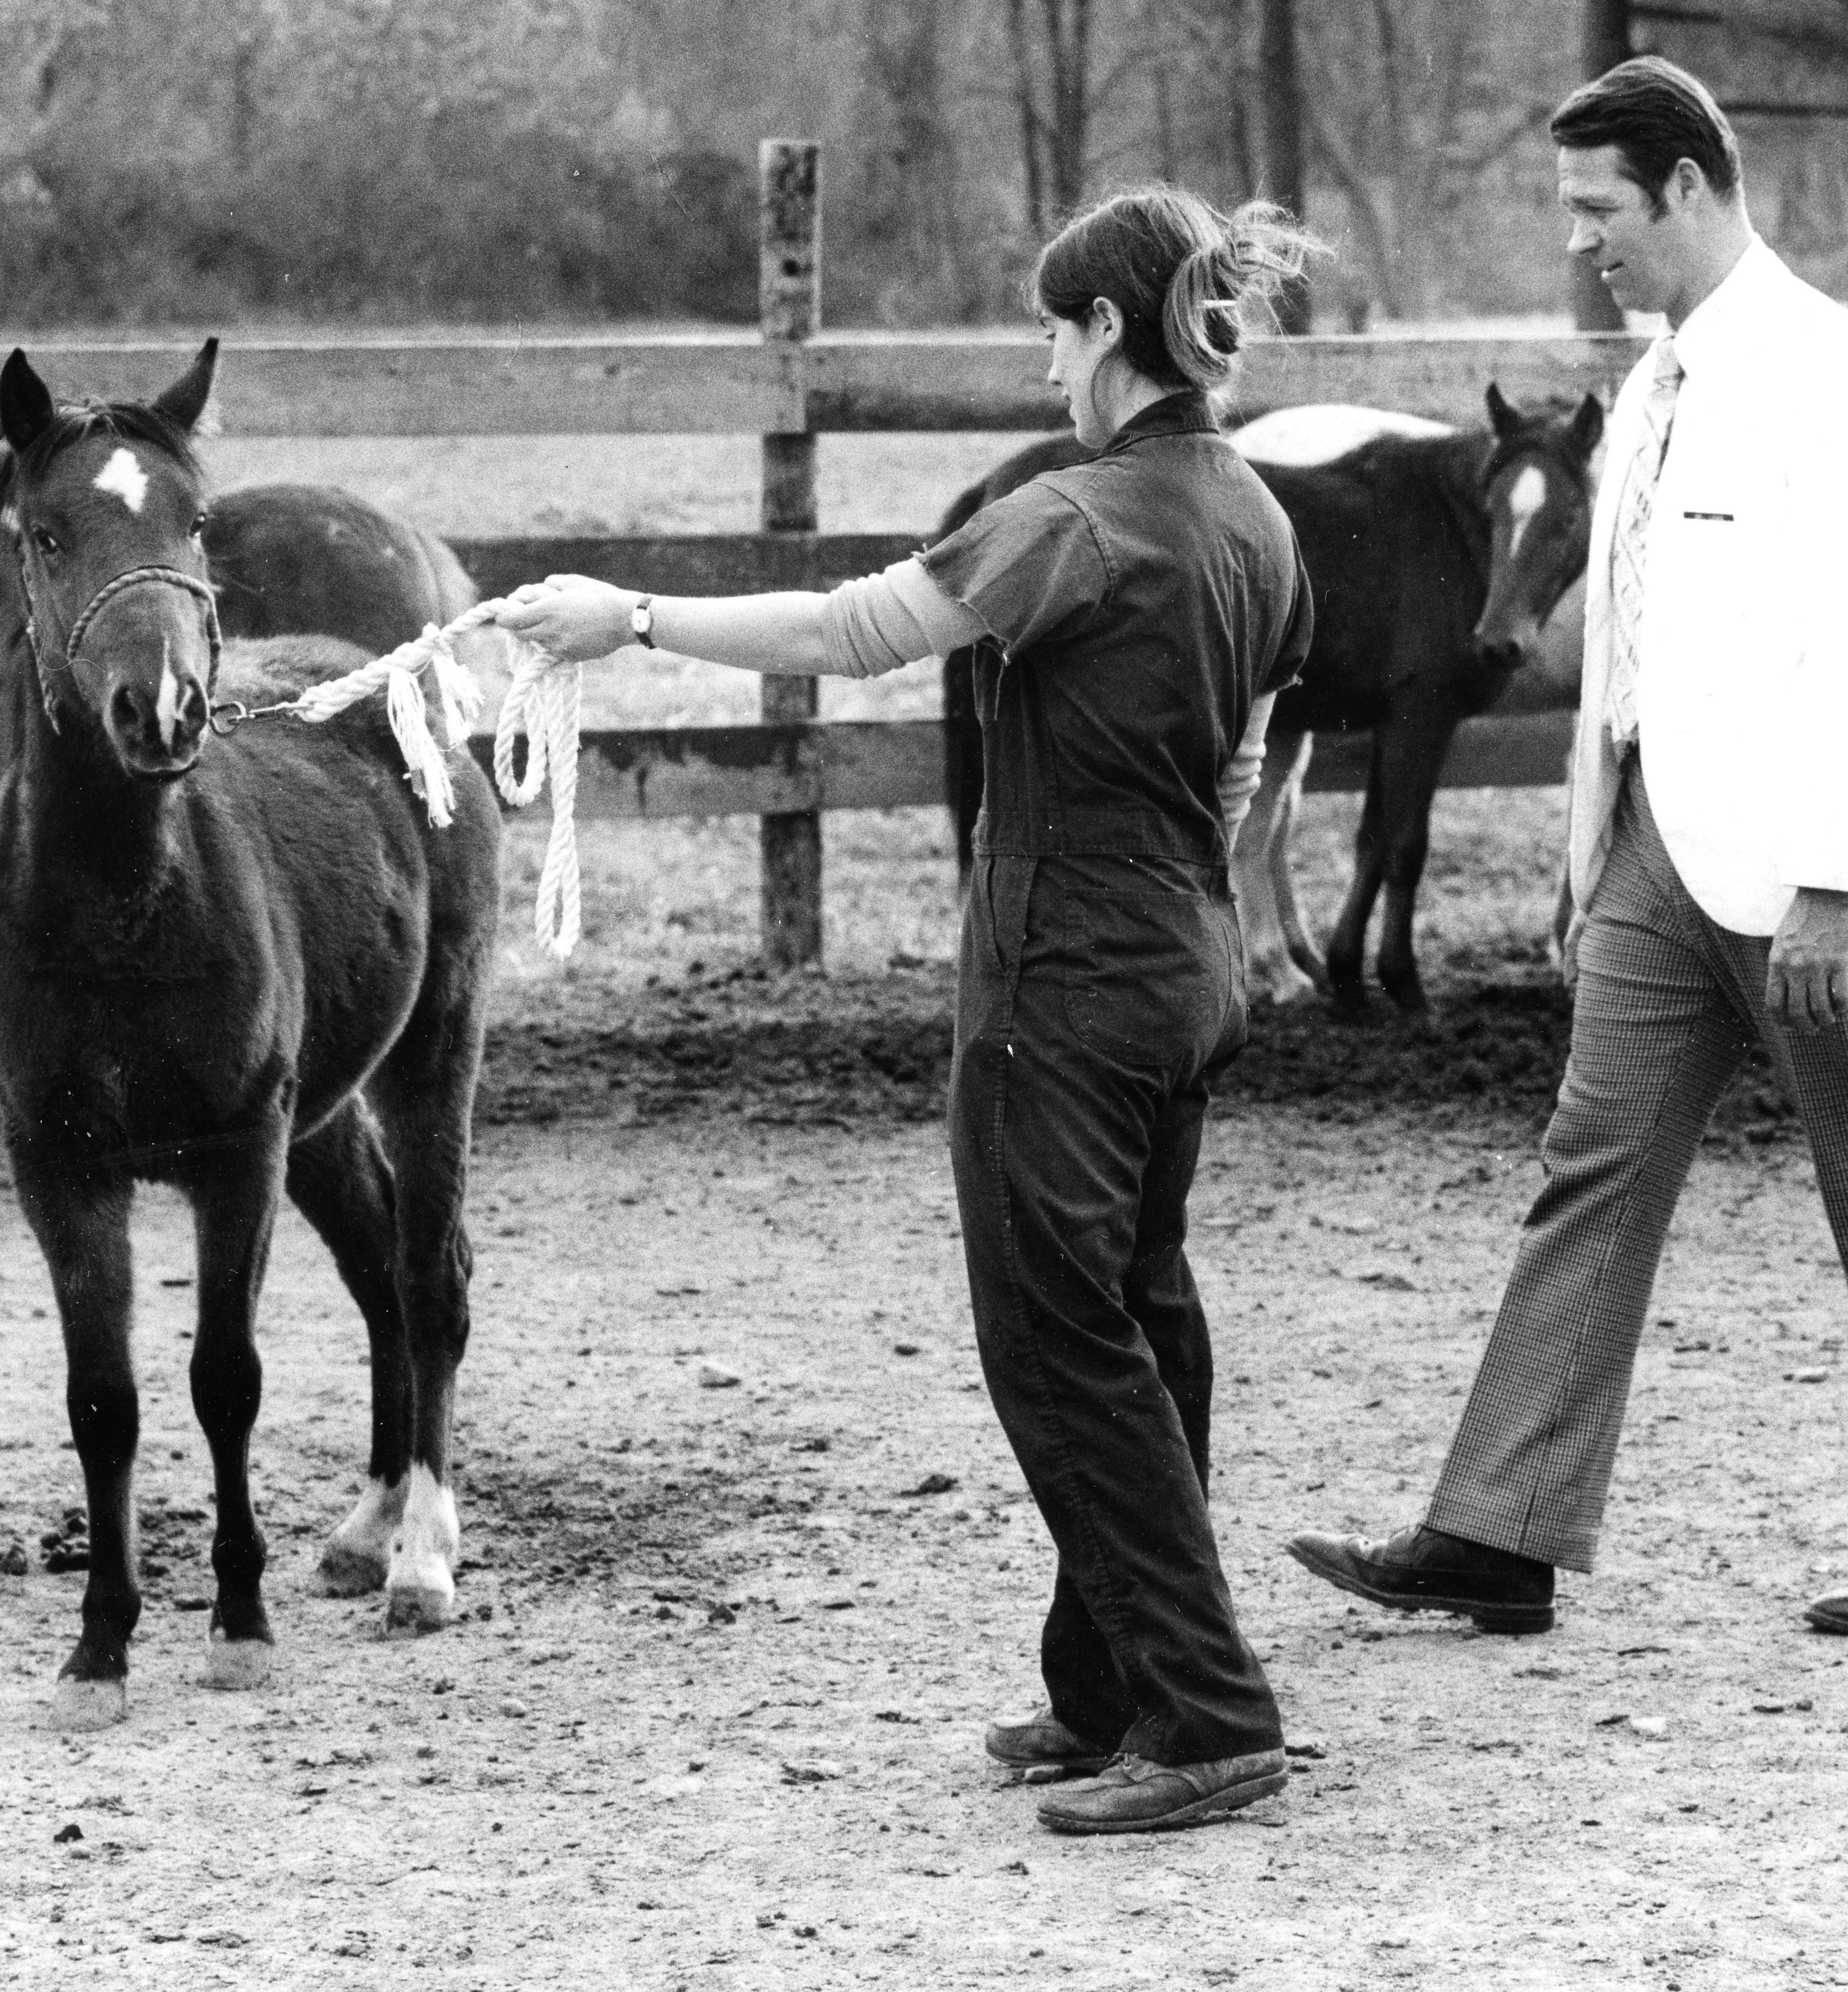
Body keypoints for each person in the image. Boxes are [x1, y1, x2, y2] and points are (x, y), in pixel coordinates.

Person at [492, 184, 1321, 1834]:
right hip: (1185, 964)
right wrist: (1183, 905)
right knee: (1143, 1311)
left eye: (1051, 327)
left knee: (1057, 1344)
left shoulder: (1074, 517)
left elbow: (850, 626)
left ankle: (1211, 1708)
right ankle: (1116, 1685)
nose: (1042, 358)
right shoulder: (1258, 519)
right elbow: (1245, 759)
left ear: (1106, 334)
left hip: (1061, 991)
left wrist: (632, 618)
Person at [1288, 56, 1848, 1641]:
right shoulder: (1659, 386)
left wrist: (1833, 877)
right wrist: (1588, 849)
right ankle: (1501, 1527)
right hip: (1657, 860)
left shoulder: (1833, 379)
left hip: (1826, 872)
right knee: (1590, 1171)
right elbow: (1625, 638)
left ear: (1688, 187)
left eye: (1599, 208)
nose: (1583, 244)